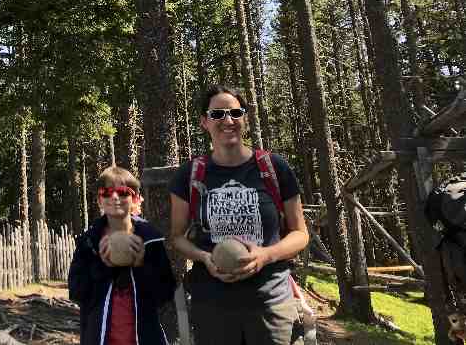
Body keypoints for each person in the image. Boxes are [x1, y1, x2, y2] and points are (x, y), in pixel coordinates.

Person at [169, 85, 309, 345]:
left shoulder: (274, 167)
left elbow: (300, 234)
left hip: (270, 302)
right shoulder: (189, 174)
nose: (228, 120)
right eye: (218, 114)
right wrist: (205, 257)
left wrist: (266, 255)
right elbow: (177, 236)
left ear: (245, 119)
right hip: (212, 305)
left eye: (235, 112)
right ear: (204, 122)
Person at [68, 166, 176, 344]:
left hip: (145, 338)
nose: (115, 197)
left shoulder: (151, 239)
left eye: (123, 192)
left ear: (134, 199)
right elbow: (77, 291)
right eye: (107, 192)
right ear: (99, 200)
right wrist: (103, 267)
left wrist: (142, 264)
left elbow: (165, 292)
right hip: (100, 338)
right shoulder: (89, 242)